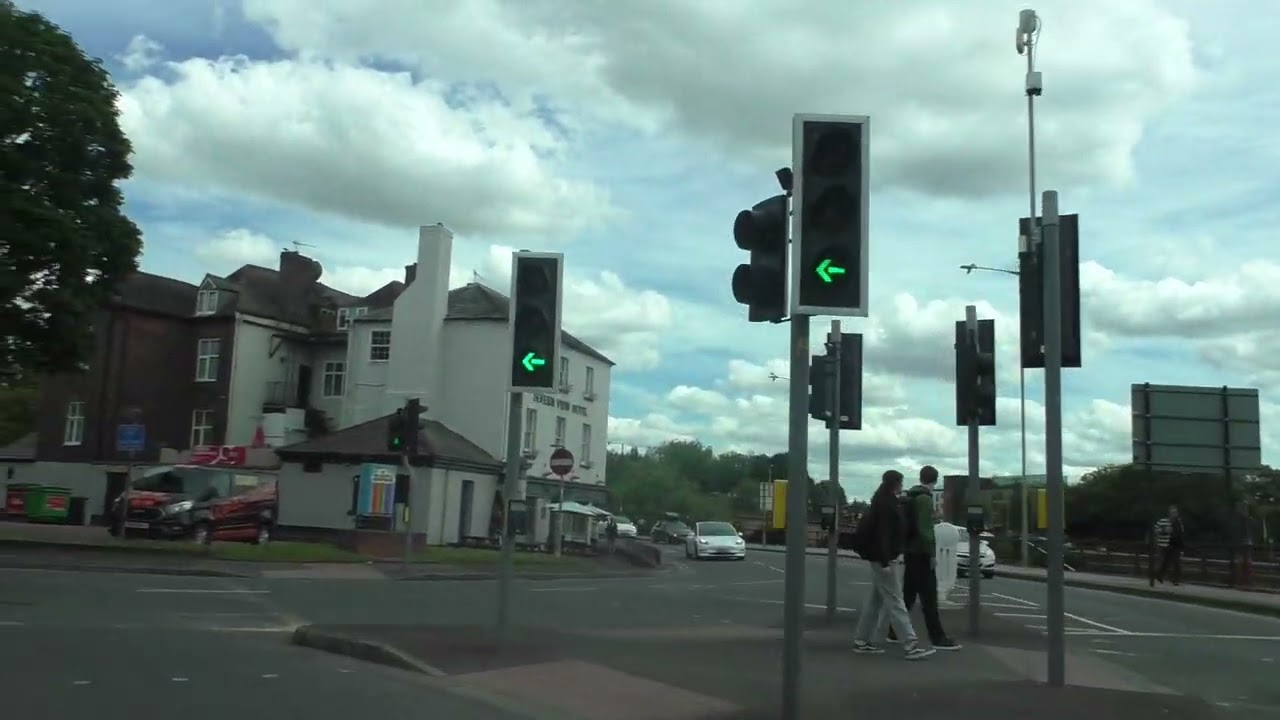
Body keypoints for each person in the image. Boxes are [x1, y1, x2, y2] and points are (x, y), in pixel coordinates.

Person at [852, 470, 935, 660]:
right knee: (896, 600)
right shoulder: (886, 505)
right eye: (901, 482)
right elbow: (884, 535)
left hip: (881, 558)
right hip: (884, 559)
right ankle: (910, 644)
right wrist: (885, 560)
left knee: (876, 600)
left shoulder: (882, 500)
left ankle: (861, 640)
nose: (903, 485)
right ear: (895, 483)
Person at [881, 466, 961, 650]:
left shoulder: (912, 496)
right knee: (929, 598)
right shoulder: (924, 499)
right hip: (921, 554)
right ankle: (938, 638)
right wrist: (932, 554)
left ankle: (895, 632)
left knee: (908, 596)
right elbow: (925, 531)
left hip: (910, 552)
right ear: (935, 479)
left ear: (920, 477)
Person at [1155, 505, 1185, 585]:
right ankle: (1159, 576)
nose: (1174, 514)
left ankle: (1175, 580)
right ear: (1169, 513)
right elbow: (1156, 531)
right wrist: (1164, 530)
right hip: (1163, 545)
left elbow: (1181, 534)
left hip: (1174, 545)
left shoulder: (1179, 522)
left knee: (1176, 563)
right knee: (1163, 562)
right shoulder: (1162, 521)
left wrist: (1181, 546)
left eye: (1175, 512)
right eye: (1173, 512)